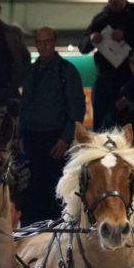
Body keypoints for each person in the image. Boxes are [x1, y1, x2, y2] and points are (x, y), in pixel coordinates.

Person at [19, 26, 85, 224]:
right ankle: (33, 234)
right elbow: (24, 107)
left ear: (54, 43)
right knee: (33, 191)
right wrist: (21, 136)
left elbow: (76, 110)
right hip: (32, 139)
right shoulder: (31, 70)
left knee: (56, 191)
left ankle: (58, 235)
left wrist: (65, 139)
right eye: (39, 42)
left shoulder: (67, 70)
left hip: (56, 139)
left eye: (47, 41)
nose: (43, 46)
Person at [79, 0, 134, 130]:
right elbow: (82, 47)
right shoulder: (100, 19)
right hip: (105, 79)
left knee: (128, 124)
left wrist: (126, 36)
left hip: (131, 79)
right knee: (101, 124)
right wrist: (91, 39)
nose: (114, 0)